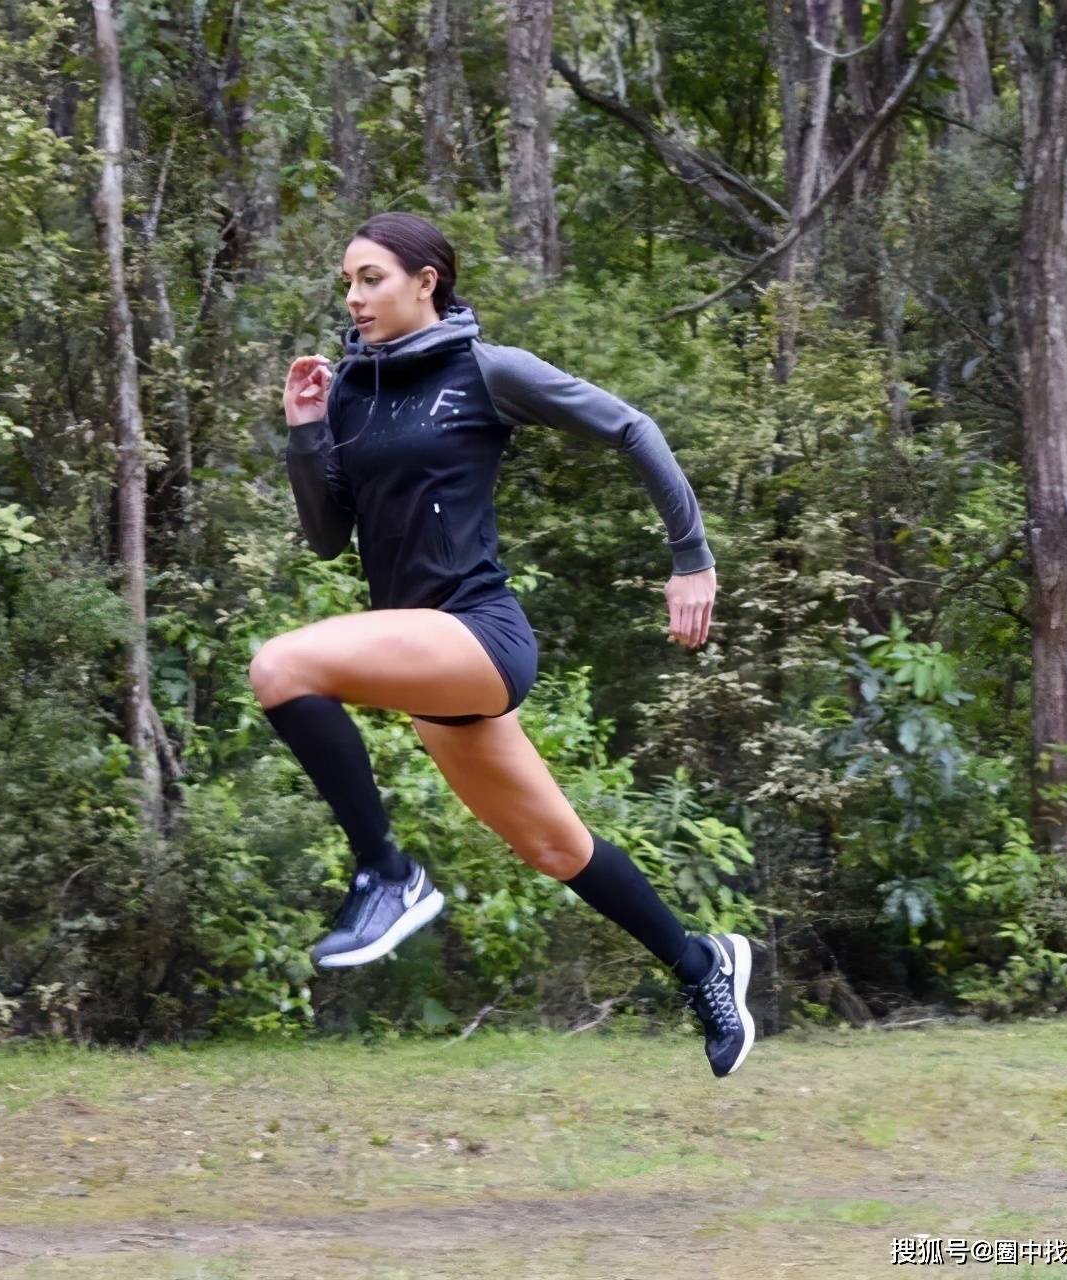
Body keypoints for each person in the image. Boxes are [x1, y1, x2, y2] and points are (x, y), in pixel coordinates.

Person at [251, 211, 754, 1077]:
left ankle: (387, 874)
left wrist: (691, 559)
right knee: (557, 848)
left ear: (425, 281)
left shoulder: (487, 370)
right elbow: (330, 538)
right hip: (424, 657)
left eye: (371, 278)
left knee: (280, 665)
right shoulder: (349, 388)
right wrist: (305, 429)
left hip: (480, 634)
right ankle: (703, 963)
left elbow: (631, 428)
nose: (354, 296)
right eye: (346, 282)